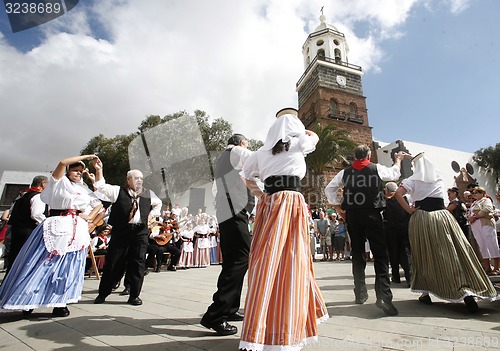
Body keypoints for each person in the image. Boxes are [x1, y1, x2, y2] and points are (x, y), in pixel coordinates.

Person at [239, 108, 328, 351]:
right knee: (294, 259)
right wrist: (301, 129)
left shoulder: (260, 152)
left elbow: (246, 176)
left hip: (269, 202)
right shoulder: (300, 142)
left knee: (264, 260)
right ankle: (286, 326)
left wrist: (261, 194)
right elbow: (315, 137)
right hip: (291, 201)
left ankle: (260, 329)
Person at [0, 154, 102, 317]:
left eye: (80, 172)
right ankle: (28, 299)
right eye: (75, 170)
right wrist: (88, 156)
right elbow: (62, 163)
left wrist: (90, 218)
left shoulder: (84, 189)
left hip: (76, 229)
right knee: (43, 263)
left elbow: (99, 203)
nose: (78, 173)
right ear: (69, 171)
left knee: (68, 267)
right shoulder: (58, 183)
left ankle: (60, 302)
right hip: (57, 226)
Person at [395, 153, 497, 313]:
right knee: (454, 251)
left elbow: (398, 194)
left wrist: (409, 210)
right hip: (442, 217)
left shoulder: (412, 180)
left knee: (423, 254)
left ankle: (425, 293)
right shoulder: (438, 177)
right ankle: (468, 292)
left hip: (422, 218)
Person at [325, 145, 406, 316]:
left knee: (357, 253)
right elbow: (394, 174)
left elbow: (329, 189)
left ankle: (360, 293)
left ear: (355, 156)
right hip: (372, 213)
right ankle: (383, 296)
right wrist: (398, 160)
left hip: (353, 216)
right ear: (369, 154)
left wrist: (339, 208)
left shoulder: (344, 173)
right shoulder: (376, 168)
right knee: (380, 254)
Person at [200, 133, 254, 336]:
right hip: (233, 210)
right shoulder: (236, 151)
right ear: (241, 143)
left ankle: (230, 308)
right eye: (246, 144)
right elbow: (257, 160)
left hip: (228, 209)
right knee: (241, 258)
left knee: (233, 260)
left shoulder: (225, 158)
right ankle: (215, 314)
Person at [92, 159, 162, 306]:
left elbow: (158, 204)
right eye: (136, 178)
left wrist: (152, 215)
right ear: (128, 179)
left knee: (138, 263)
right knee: (113, 262)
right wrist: (99, 170)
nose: (139, 181)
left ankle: (134, 295)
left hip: (140, 232)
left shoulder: (148, 193)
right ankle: (103, 293)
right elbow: (100, 187)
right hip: (121, 231)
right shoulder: (118, 191)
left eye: (141, 178)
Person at [5, 175, 48, 274]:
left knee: (14, 256)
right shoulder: (38, 196)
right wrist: (48, 224)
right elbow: (36, 214)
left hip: (16, 229)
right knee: (25, 258)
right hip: (29, 230)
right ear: (42, 184)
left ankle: (9, 280)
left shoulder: (22, 196)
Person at [382, 182, 411, 286]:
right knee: (405, 252)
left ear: (387, 190)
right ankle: (409, 277)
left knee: (393, 253)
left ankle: (396, 276)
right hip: (404, 229)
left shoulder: (386, 201)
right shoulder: (404, 199)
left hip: (391, 230)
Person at [467, 186, 500, 275]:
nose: (474, 194)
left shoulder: (486, 200)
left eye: (476, 192)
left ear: (482, 193)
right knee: (482, 245)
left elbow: (487, 209)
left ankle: (497, 267)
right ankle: (487, 267)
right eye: (473, 193)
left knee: (491, 243)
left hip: (485, 224)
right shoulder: (474, 203)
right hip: (476, 226)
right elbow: (469, 213)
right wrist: (469, 217)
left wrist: (475, 217)